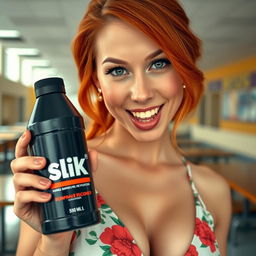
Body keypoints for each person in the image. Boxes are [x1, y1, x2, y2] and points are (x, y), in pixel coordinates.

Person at [11, 0, 232, 255]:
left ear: (183, 68)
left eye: (159, 64)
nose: (141, 93)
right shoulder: (60, 174)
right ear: (97, 83)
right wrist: (54, 241)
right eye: (118, 70)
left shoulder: (213, 190)